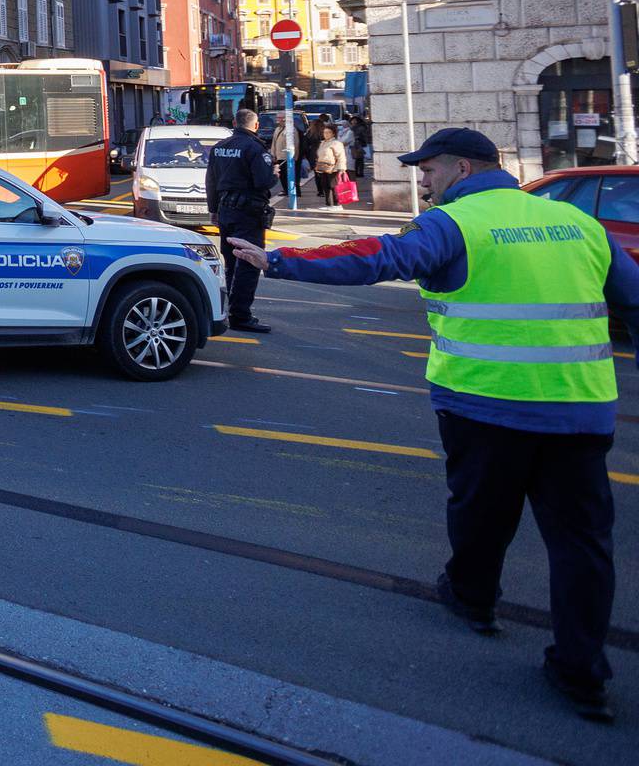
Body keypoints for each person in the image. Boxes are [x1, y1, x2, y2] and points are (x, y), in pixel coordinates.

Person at [229, 128, 633, 722]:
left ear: (462, 169)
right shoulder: (577, 223)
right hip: (580, 410)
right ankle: (583, 672)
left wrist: (280, 261)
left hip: (487, 406)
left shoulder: (456, 223)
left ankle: (473, 601)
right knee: (582, 546)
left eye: (429, 169)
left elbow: (377, 257)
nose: (422, 180)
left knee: (480, 514)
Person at [205, 108, 275, 334]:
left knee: (231, 262)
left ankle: (227, 311)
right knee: (250, 262)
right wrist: (273, 173)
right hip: (248, 213)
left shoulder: (219, 148)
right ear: (255, 126)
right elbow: (263, 181)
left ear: (235, 122)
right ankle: (241, 315)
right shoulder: (254, 148)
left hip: (226, 211)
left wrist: (213, 210)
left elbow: (211, 182)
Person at [314, 124, 348, 207]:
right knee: (325, 187)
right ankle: (328, 204)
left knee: (334, 187)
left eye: (329, 132)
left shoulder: (336, 143)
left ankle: (337, 204)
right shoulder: (323, 143)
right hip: (323, 168)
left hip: (333, 168)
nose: (326, 134)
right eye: (325, 132)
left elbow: (341, 156)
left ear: (333, 134)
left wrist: (341, 169)